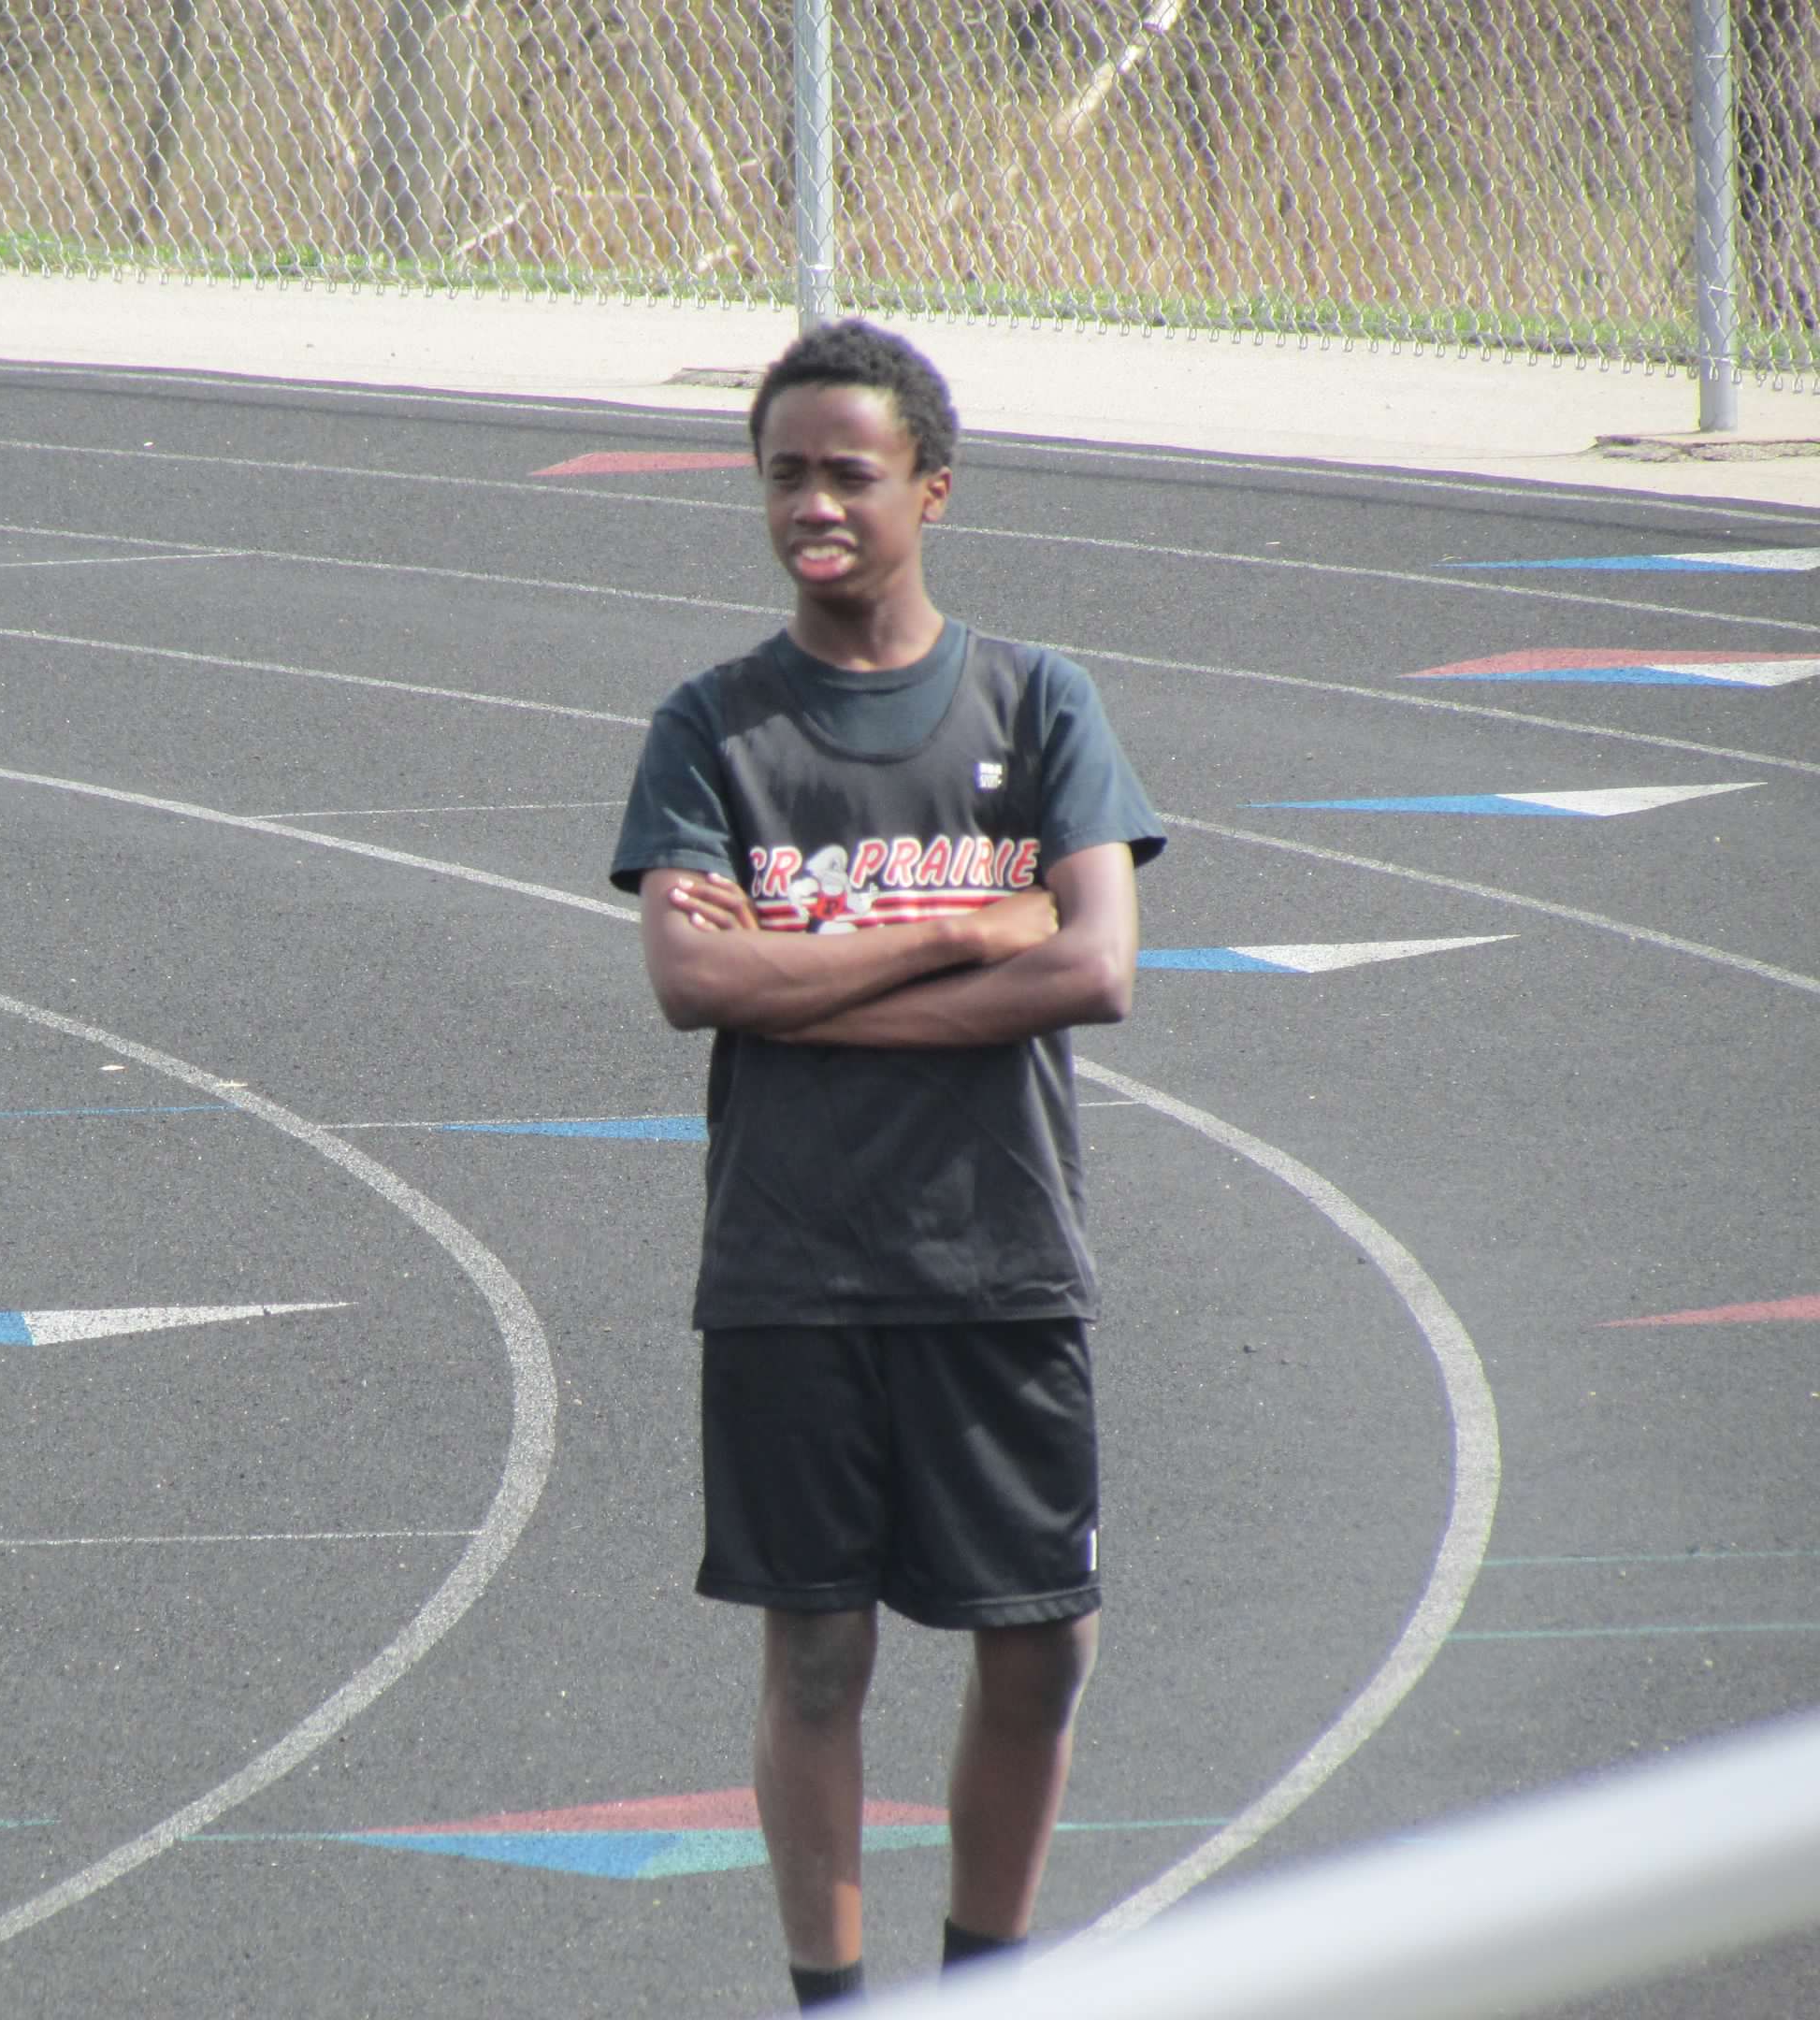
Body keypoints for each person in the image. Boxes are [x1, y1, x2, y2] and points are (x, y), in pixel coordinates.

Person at [607, 319, 1164, 2008]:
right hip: (793, 1263)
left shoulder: (1037, 702)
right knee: (818, 1653)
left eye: (850, 472)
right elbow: (692, 984)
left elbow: (1095, 967)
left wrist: (808, 984)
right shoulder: (712, 729)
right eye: (784, 474)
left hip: (1000, 1254)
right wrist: (959, 932)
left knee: (1043, 1642)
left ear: (934, 488)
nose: (815, 504)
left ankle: (985, 1976)